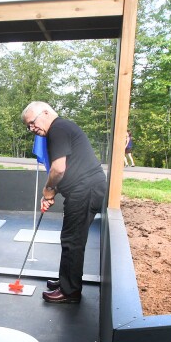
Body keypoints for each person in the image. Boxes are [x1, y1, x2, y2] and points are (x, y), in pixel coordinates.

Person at [22, 102, 106, 304]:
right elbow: (69, 170)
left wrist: (49, 190)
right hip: (83, 188)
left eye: (32, 123)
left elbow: (59, 169)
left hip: (86, 190)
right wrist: (51, 193)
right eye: (28, 127)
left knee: (72, 240)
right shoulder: (62, 128)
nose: (32, 129)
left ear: (45, 112)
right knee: (70, 238)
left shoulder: (57, 129)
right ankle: (65, 281)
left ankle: (70, 291)